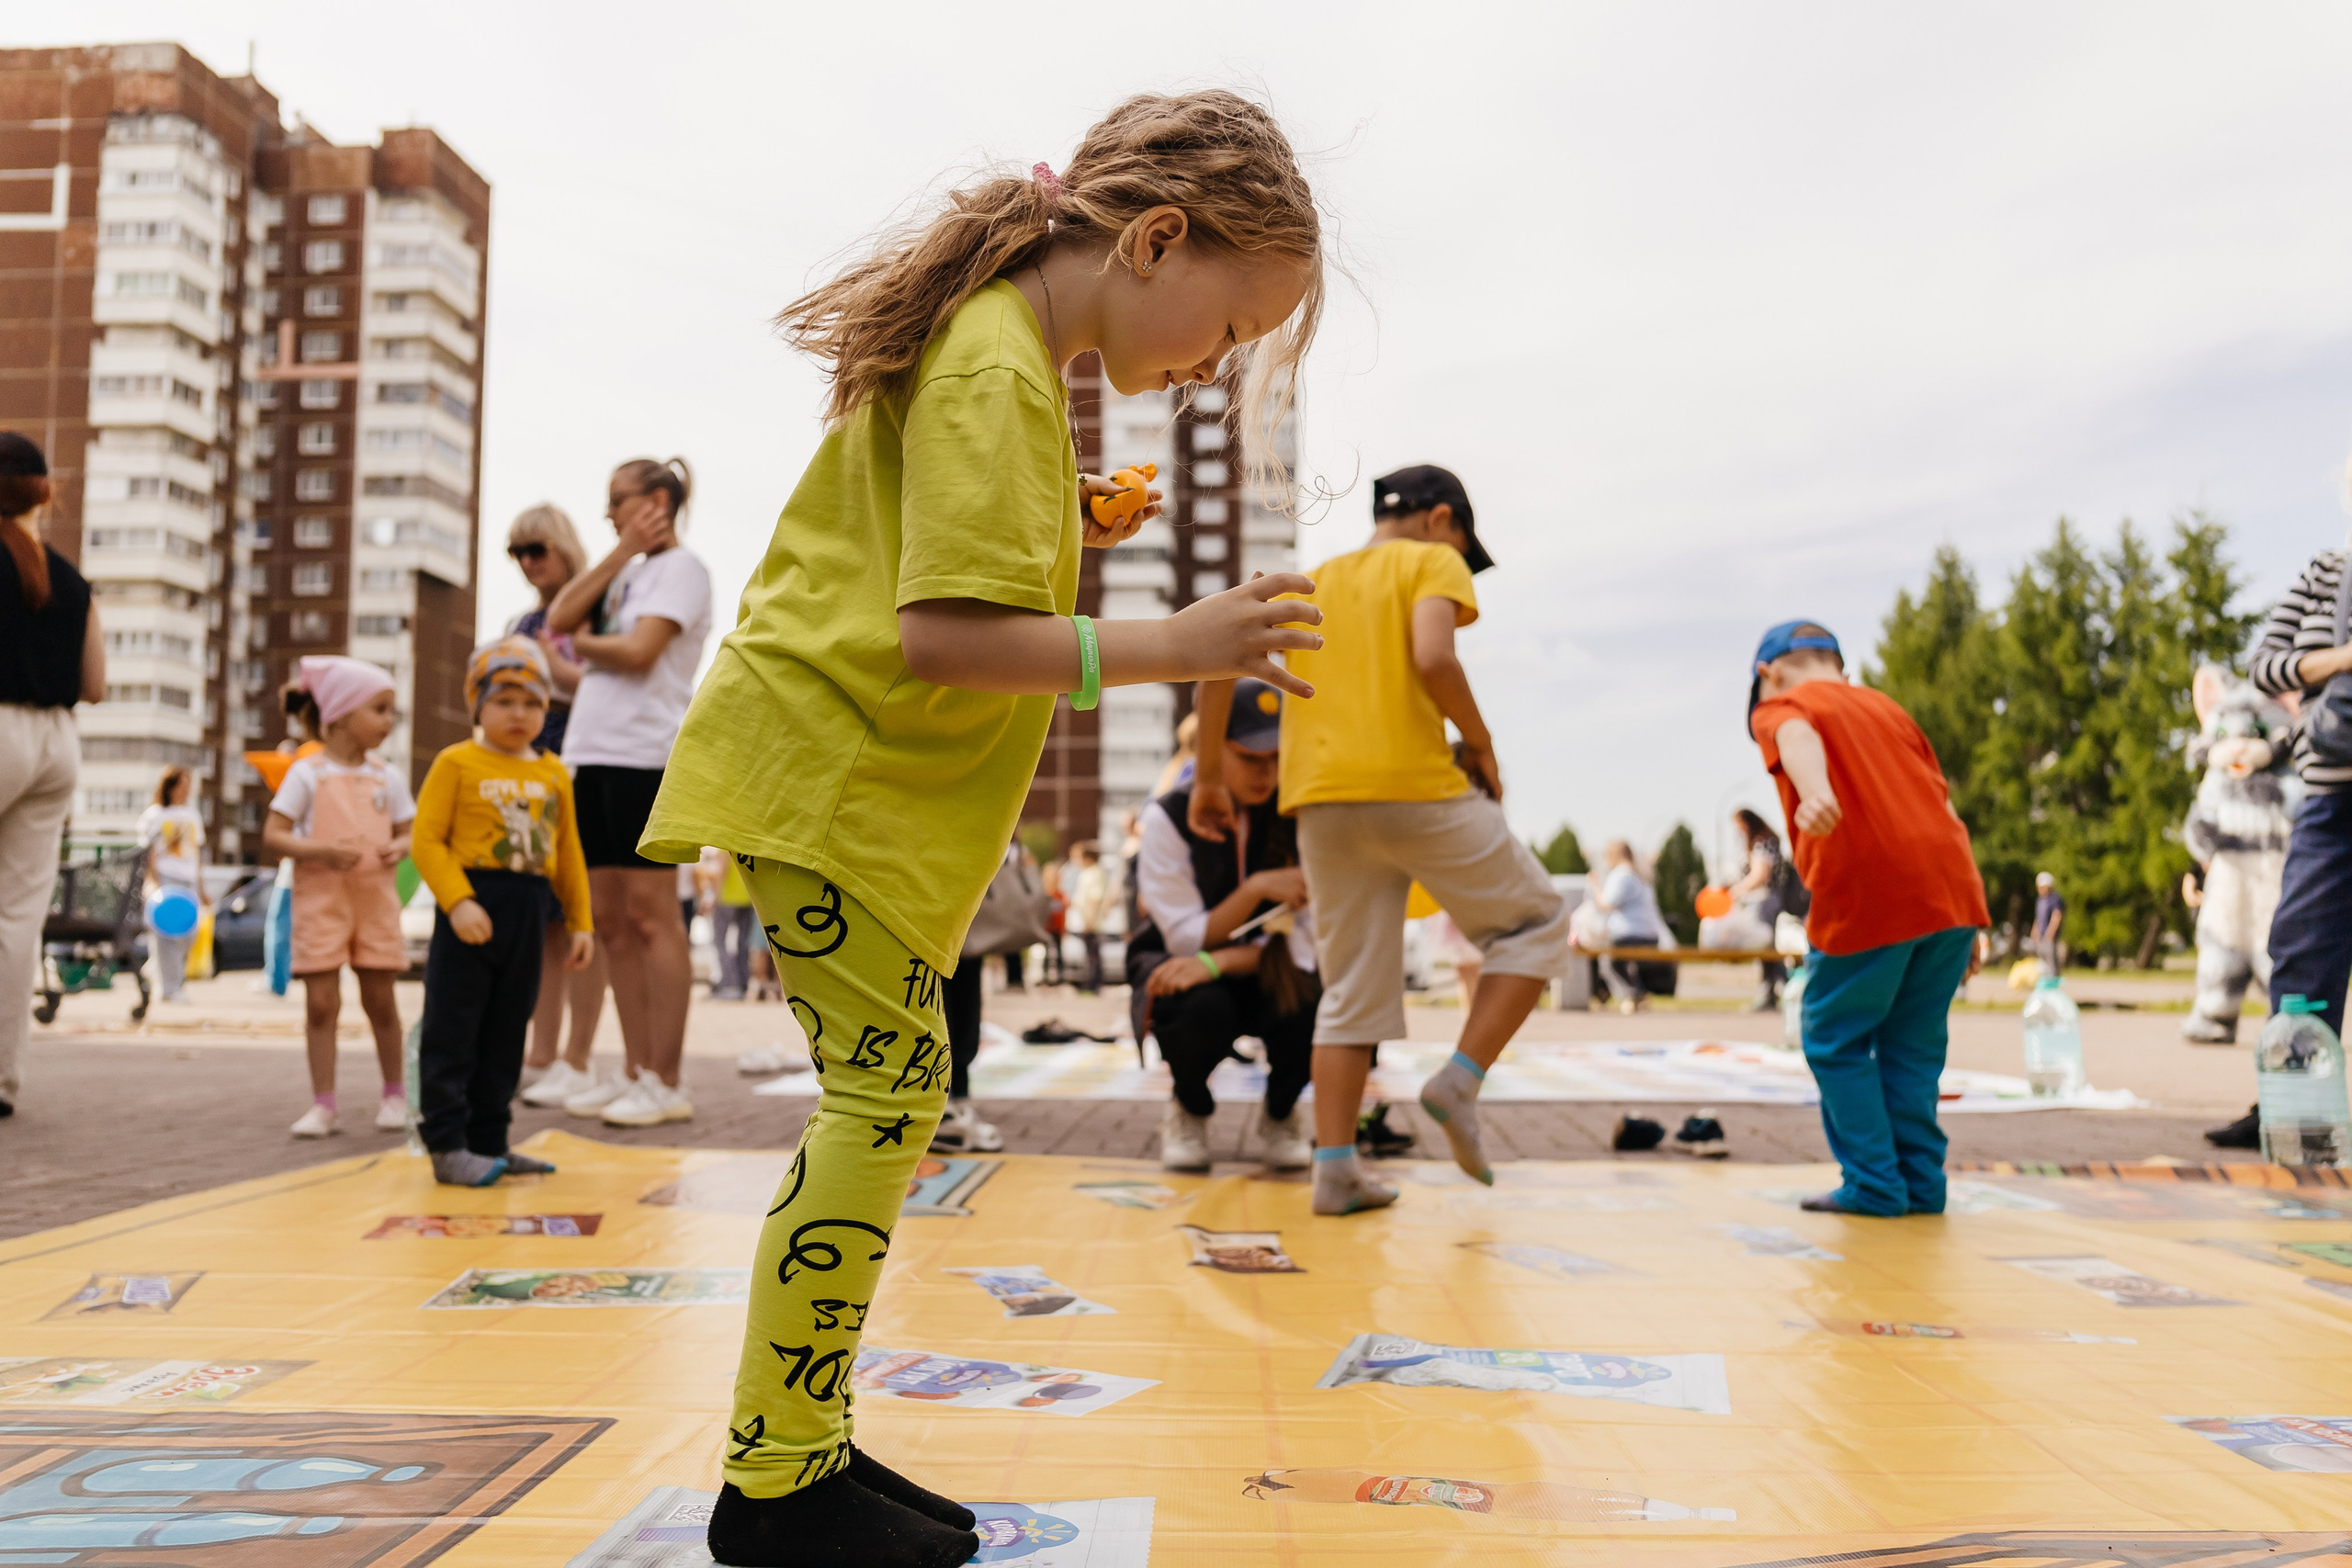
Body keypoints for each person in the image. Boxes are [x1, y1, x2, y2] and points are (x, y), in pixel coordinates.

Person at [636, 91, 1327, 1563]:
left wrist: (1070, 515)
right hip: (830, 781)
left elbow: (943, 554)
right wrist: (1180, 639)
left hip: (845, 784)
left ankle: (802, 1442)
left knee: (894, 1092)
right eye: (1228, 327)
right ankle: (776, 1479)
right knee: (884, 1100)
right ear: (1156, 239)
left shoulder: (1006, 354)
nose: (1214, 365)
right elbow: (946, 633)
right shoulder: (998, 364)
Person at [1193, 464, 1567, 1216]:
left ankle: (1334, 1169)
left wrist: (1207, 776)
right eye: (1462, 549)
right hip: (1417, 788)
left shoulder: (1309, 583)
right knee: (1538, 924)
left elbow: (1217, 661)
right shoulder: (1430, 560)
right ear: (1440, 520)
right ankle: (1459, 1079)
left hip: (1322, 805)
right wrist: (1482, 744)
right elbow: (1433, 656)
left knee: (1350, 990)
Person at [1746, 619, 1989, 1216]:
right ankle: (1921, 1183)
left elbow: (1796, 735)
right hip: (1950, 889)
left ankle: (1876, 1184)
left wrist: (1814, 790)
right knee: (1913, 1044)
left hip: (1870, 887)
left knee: (1833, 1035)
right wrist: (1971, 914)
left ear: (1768, 674)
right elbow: (1941, 801)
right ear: (1842, 669)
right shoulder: (1889, 709)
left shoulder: (1781, 705)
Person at [544, 457, 713, 1128]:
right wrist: (619, 554)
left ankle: (667, 1079)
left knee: (652, 918)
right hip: (590, 755)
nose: (608, 512)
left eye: (619, 500)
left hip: (645, 757)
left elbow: (641, 652)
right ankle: (636, 1069)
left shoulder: (684, 570)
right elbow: (560, 616)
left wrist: (586, 646)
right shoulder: (625, 572)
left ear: (657, 502)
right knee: (609, 921)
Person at [411, 638, 594, 1186]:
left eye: (533, 703)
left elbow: (568, 851)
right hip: (472, 906)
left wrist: (581, 921)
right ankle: (447, 1144)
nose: (519, 713)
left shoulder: (554, 772)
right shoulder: (456, 762)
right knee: (453, 1028)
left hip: (528, 909)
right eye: (505, 701)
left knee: (507, 1030)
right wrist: (458, 901)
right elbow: (426, 840)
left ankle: (490, 1141)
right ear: (477, 705)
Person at [1130, 676, 1317, 1172]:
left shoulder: (1298, 816)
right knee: (1193, 1006)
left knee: (1314, 998)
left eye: (1276, 756)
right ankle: (1188, 1107)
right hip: (1186, 967)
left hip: (1258, 966)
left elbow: (1308, 945)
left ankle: (1281, 1113)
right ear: (1214, 748)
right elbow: (1184, 939)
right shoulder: (1168, 817)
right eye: (1250, 756)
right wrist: (1257, 889)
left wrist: (1220, 961)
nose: (1266, 772)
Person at [263, 657, 413, 1139]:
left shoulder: (387, 776)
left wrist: (401, 846)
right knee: (321, 1004)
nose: (389, 721)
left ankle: (395, 1095)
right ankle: (323, 1104)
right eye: (380, 709)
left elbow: (410, 830)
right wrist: (321, 852)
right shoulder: (306, 774)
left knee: (381, 1001)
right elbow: (275, 833)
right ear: (343, 714)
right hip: (321, 903)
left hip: (375, 904)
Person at [0, 432, 101, 1119]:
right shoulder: (70, 578)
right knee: (17, 918)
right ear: (44, 493)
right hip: (56, 744)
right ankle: (3, 1079)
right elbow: (95, 685)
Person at [503, 503, 609, 1103]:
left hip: (585, 761)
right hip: (531, 772)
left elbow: (607, 685)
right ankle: (542, 1054)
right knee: (543, 920)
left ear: (563, 546)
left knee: (581, 914)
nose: (526, 562)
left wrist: (551, 668)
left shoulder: (599, 606)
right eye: (516, 553)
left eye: (535, 549)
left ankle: (579, 1055)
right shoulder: (523, 620)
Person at [2249, 517, 2352, 1060]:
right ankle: (2295, 1092)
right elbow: (2263, 667)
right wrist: (2343, 658)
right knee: (2302, 949)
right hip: (2328, 797)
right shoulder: (2327, 570)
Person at [1703, 807, 1799, 1010]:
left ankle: (1780, 992)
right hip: (1760, 901)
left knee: (1768, 949)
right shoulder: (1759, 843)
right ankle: (1774, 993)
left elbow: (1759, 875)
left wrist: (1735, 891)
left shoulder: (1763, 842)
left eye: (1739, 826)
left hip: (1766, 902)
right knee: (1768, 950)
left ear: (1748, 824)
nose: (1738, 832)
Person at [137, 766, 208, 1002]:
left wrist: (203, 887)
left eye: (189, 786)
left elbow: (196, 853)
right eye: (182, 786)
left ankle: (154, 967)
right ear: (170, 787)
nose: (186, 791)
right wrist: (153, 881)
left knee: (189, 932)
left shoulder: (193, 815)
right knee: (165, 935)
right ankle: (169, 989)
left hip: (188, 879)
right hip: (165, 878)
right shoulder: (154, 815)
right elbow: (149, 851)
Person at [1589, 839, 1666, 1013]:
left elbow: (1606, 903)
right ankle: (1632, 994)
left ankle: (1629, 995)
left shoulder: (1623, 875)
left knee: (1607, 959)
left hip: (1630, 934)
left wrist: (1595, 885)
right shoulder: (1639, 874)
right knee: (1614, 960)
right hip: (1649, 934)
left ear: (1613, 855)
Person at [1063, 841, 1113, 993]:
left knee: (1093, 955)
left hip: (1091, 921)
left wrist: (1089, 920)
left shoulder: (1094, 873)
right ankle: (1091, 982)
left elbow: (1094, 899)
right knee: (1090, 954)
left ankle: (1094, 984)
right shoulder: (1089, 872)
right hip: (1086, 919)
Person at [710, 852, 758, 1000]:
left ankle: (730, 984)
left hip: (727, 899)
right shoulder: (747, 847)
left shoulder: (724, 848)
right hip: (748, 898)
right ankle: (743, 983)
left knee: (721, 942)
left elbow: (722, 871)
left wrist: (713, 897)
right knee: (743, 943)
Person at [2030, 871, 2065, 974]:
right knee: (2042, 960)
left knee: (2051, 959)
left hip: (2049, 935)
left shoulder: (2054, 899)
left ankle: (2054, 979)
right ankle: (2045, 979)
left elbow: (2056, 916)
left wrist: (2050, 932)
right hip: (2041, 935)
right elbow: (2038, 918)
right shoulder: (2040, 900)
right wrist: (2034, 931)